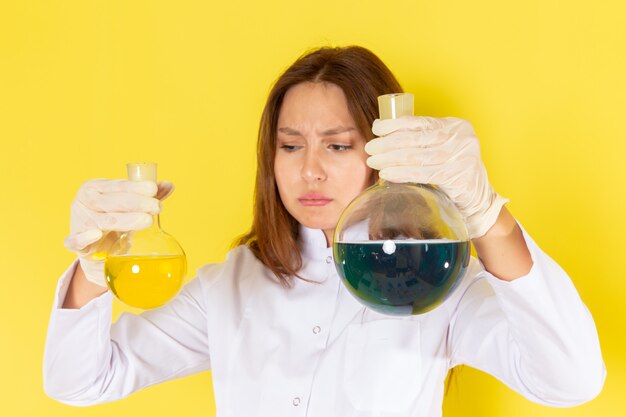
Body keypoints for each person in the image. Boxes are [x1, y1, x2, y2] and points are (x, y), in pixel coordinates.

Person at [43, 46, 606, 416]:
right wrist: (95, 270)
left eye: (338, 145)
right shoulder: (230, 286)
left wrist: (488, 216)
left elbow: (569, 381)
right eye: (290, 146)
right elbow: (83, 381)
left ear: (386, 153)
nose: (309, 169)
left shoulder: (435, 283)